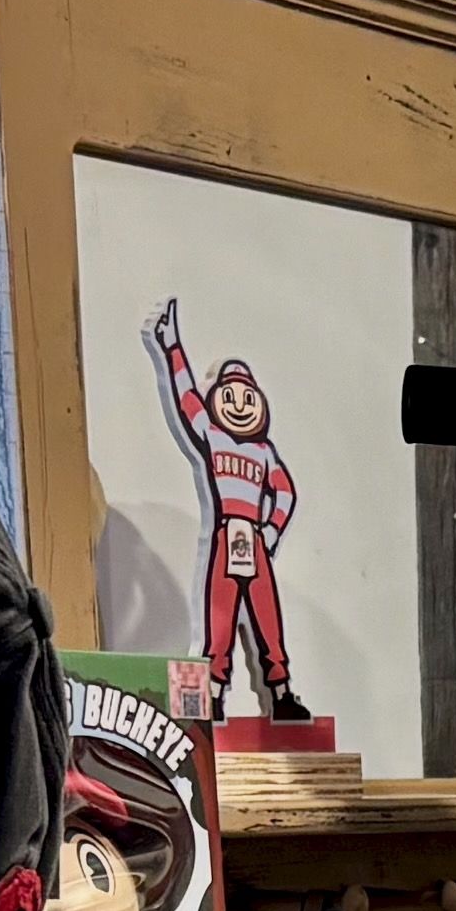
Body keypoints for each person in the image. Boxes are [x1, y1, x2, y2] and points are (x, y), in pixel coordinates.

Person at [145, 297, 312, 724]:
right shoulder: (214, 441)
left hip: (253, 539)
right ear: (218, 398)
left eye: (247, 396)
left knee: (267, 618)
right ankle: (212, 695)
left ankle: (282, 692)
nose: (239, 404)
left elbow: (286, 494)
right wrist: (172, 348)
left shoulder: (264, 452)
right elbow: (186, 401)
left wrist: (270, 533)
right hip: (223, 534)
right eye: (230, 395)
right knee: (216, 618)